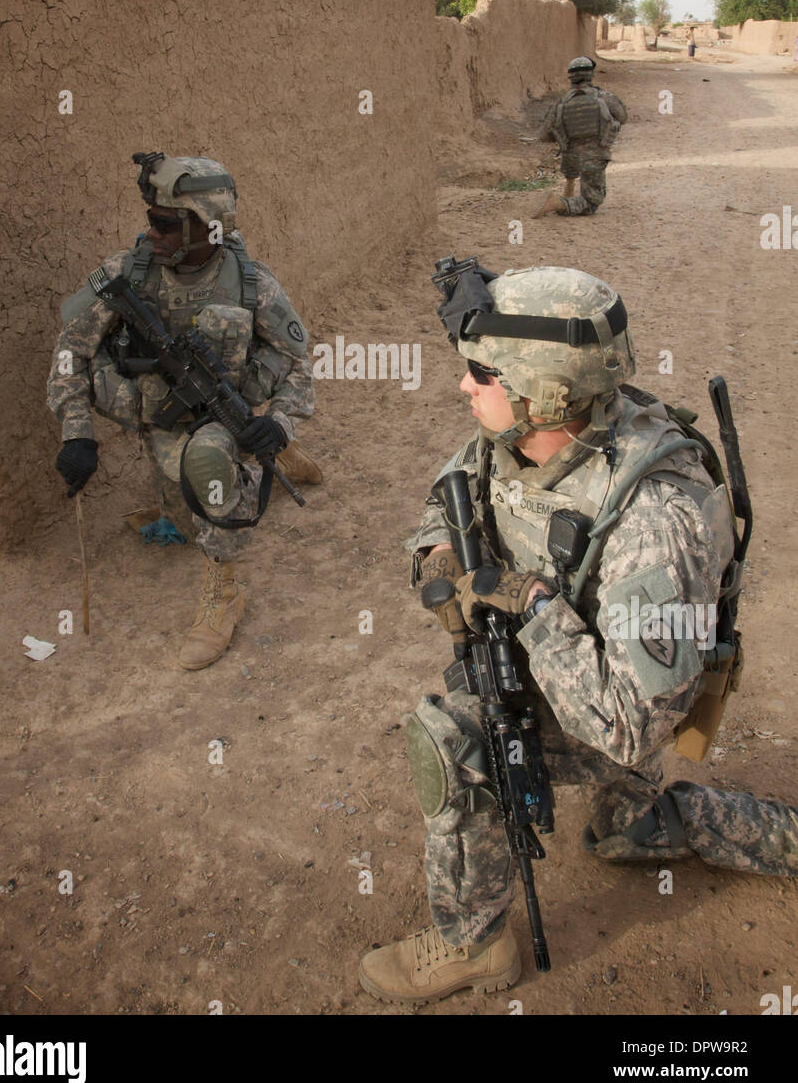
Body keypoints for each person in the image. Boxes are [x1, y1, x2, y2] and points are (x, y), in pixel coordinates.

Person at [358, 264, 798, 1006]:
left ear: (543, 394)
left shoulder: (655, 514)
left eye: (480, 374)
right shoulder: (527, 435)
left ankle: (476, 944)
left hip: (627, 702)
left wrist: (529, 602)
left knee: (453, 737)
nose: (464, 388)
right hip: (588, 666)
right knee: (624, 835)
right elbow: (454, 490)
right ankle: (650, 818)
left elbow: (629, 725)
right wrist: (439, 560)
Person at [47, 152, 318, 670]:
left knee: (212, 466)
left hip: (216, 420)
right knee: (182, 516)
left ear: (209, 230)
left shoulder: (251, 282)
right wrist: (76, 431)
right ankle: (258, 461)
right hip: (156, 416)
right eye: (151, 220)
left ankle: (222, 593)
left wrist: (277, 423)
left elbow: (299, 363)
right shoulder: (128, 274)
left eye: (166, 225)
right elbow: (70, 351)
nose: (152, 233)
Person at [535, 57, 626, 218]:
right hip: (595, 156)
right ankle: (559, 203)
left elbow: (543, 135)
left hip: (569, 157)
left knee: (570, 157)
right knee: (592, 202)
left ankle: (568, 191)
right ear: (591, 74)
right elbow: (622, 117)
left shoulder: (561, 102)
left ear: (570, 77)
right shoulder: (603, 96)